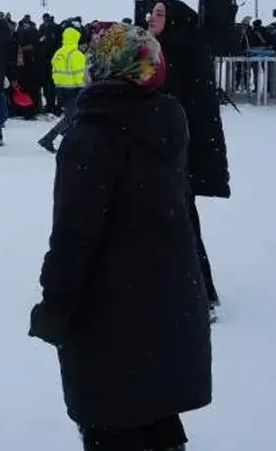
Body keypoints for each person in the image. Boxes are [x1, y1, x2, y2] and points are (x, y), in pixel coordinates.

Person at [29, 23, 210, 451]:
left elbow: (74, 233)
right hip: (168, 296)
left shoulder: (92, 134)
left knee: (112, 420)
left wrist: (56, 301)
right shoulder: (168, 118)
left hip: (110, 305)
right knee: (158, 413)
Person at [148, 0, 229, 323]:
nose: (151, 18)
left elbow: (173, 103)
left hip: (176, 152)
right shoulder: (173, 46)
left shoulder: (178, 50)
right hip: (175, 151)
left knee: (180, 224)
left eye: (159, 13)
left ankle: (200, 295)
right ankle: (195, 290)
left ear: (175, 20)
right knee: (178, 222)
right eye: (152, 12)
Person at [37, 26, 88, 153]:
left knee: (71, 116)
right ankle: (49, 139)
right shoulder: (77, 55)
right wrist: (84, 87)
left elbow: (54, 70)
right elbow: (79, 75)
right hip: (74, 89)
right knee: (72, 117)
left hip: (60, 88)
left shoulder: (59, 53)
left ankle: (66, 135)